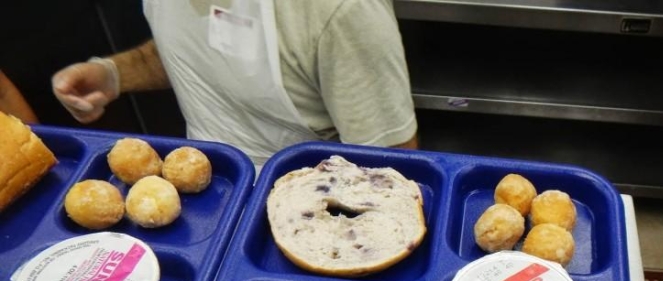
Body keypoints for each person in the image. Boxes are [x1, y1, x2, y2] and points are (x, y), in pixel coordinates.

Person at [51, 0, 418, 168]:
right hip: (204, 186)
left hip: (308, 208)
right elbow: (197, 48)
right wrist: (114, 74)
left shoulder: (339, 11)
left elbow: (394, 169)